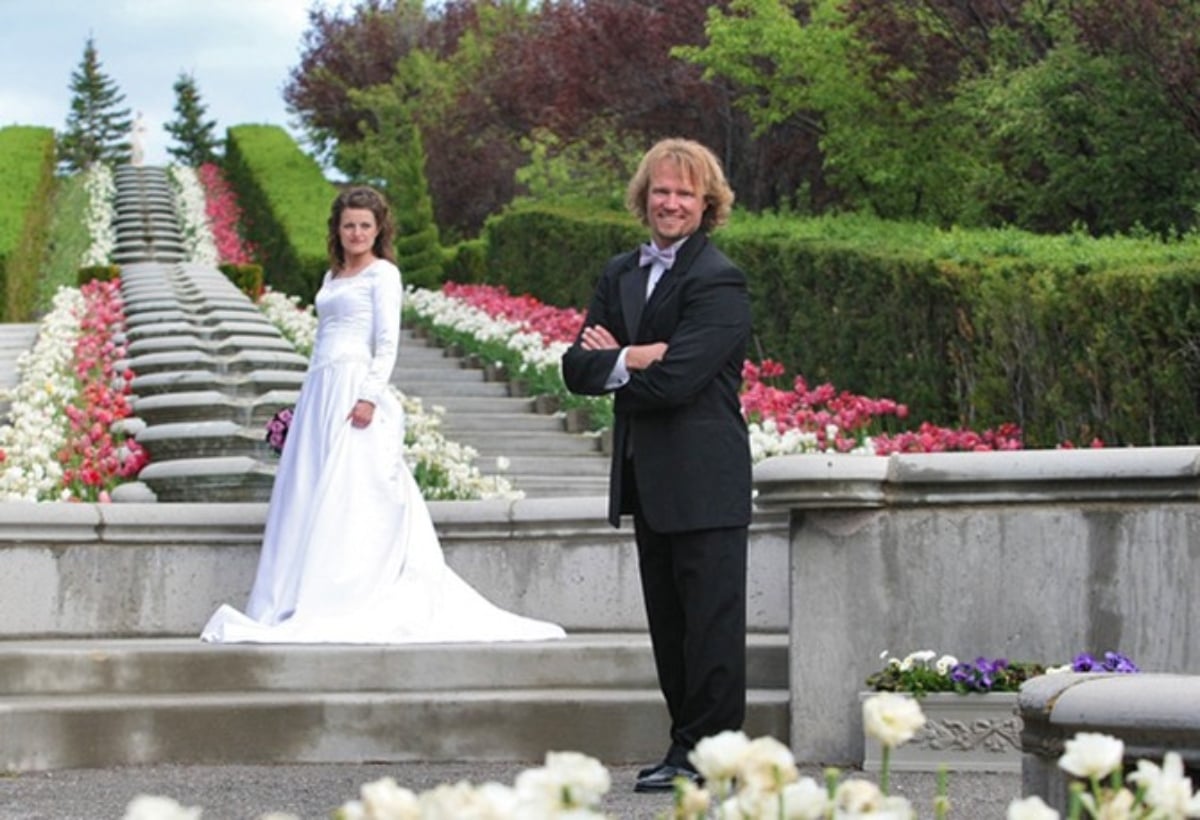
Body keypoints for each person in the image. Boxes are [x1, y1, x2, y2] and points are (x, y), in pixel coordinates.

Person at [202, 186, 565, 645]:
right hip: (321, 387)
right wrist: (307, 400)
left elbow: (387, 342)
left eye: (365, 226)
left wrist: (369, 395)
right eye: (349, 224)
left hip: (355, 385)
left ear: (378, 230)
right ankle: (290, 595)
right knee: (308, 489)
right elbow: (321, 340)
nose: (356, 233)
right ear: (338, 228)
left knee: (354, 488)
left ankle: (346, 592)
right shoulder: (332, 276)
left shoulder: (383, 275)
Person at [561, 139, 752, 792]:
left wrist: (620, 359)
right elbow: (574, 368)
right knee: (671, 631)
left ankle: (712, 760)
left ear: (708, 204)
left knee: (711, 633)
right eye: (661, 191)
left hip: (706, 481)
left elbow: (678, 384)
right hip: (648, 481)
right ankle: (684, 750)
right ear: (644, 197)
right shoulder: (619, 273)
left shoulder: (718, 279)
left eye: (685, 193)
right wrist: (638, 357)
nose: (671, 203)